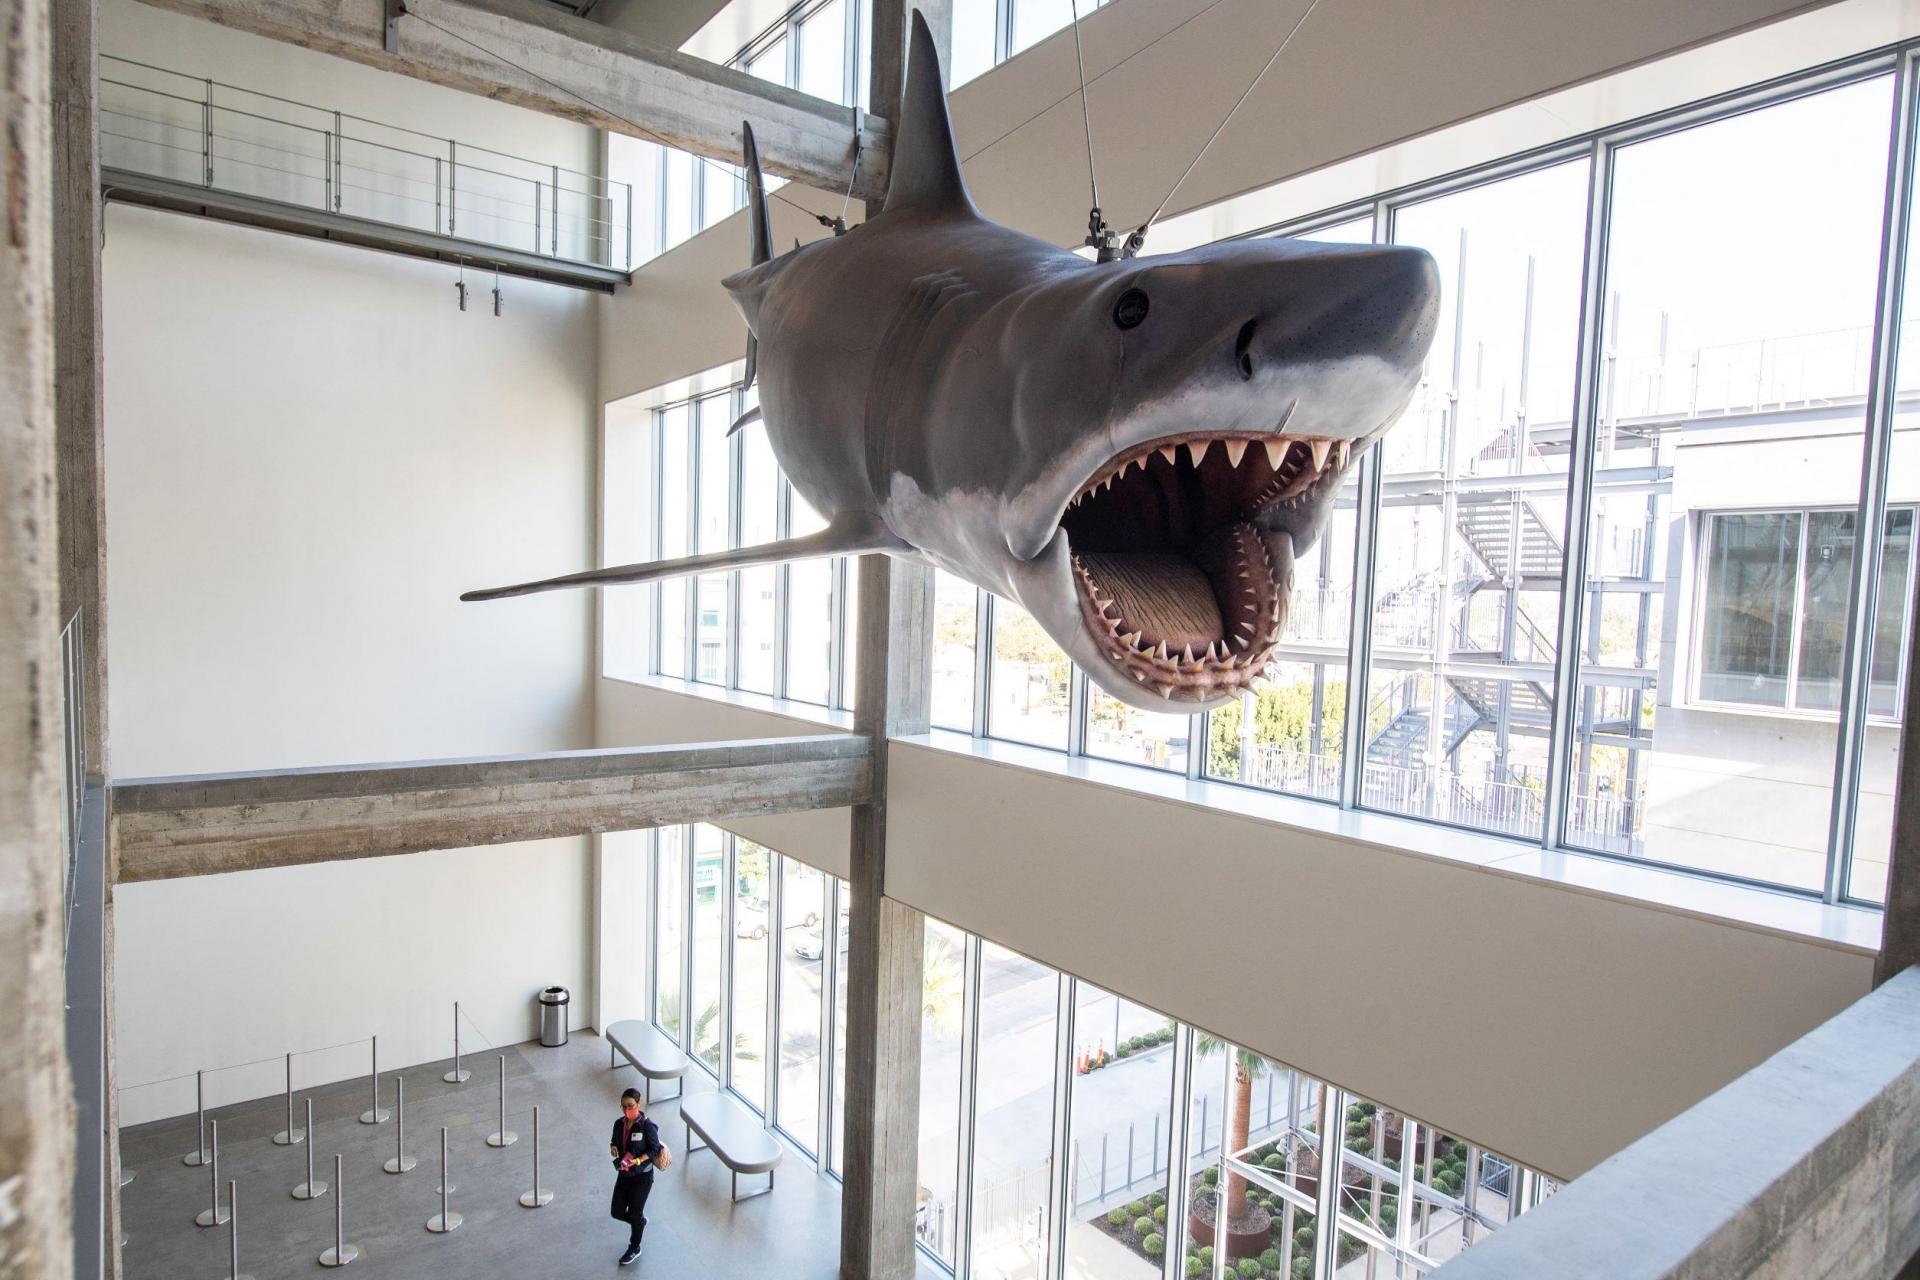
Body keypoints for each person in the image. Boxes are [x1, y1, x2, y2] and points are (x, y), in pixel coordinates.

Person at [609, 1087, 661, 1266]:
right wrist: (613, 1148)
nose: (626, 1110)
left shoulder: (647, 1126)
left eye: (630, 1105)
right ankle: (639, 1221)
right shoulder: (618, 1124)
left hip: (641, 1177)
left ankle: (634, 1247)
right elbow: (614, 1142)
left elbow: (655, 1149)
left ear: (638, 1104)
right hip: (624, 1174)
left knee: (634, 1212)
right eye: (623, 1106)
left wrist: (638, 1161)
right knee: (616, 1211)